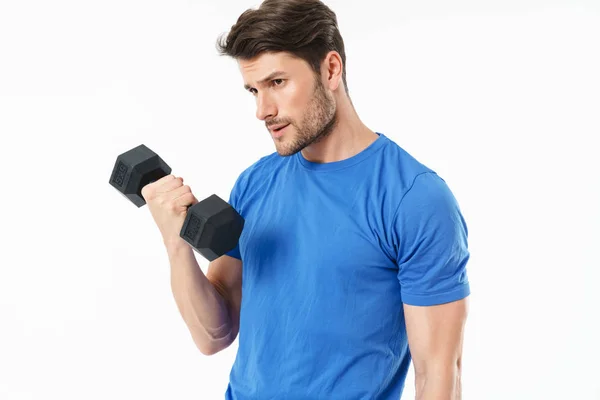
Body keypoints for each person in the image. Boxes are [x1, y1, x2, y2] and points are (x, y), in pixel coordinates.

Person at [141, 0, 471, 398]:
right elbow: (214, 334)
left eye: (277, 83)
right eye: (253, 90)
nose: (263, 110)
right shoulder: (255, 182)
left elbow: (437, 376)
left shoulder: (414, 199)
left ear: (331, 69)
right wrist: (176, 245)